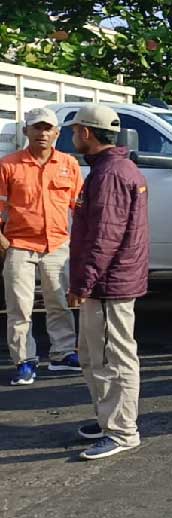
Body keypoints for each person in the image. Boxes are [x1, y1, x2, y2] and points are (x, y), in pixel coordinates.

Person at [63, 104, 149, 460]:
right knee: (97, 356)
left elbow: (102, 239)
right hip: (110, 281)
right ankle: (109, 418)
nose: (72, 137)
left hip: (108, 284)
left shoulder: (109, 174)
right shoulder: (114, 169)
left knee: (113, 358)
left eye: (74, 131)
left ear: (86, 132)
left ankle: (122, 431)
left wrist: (81, 285)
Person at [2, 108, 83, 386]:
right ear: (26, 131)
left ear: (58, 133)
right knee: (19, 308)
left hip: (58, 245)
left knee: (59, 303)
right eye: (37, 128)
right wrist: (4, 244)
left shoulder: (69, 164)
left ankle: (62, 354)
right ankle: (24, 362)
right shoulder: (8, 165)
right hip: (20, 246)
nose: (43, 133)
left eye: (49, 128)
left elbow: (79, 207)